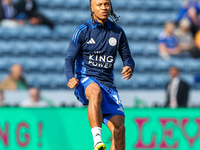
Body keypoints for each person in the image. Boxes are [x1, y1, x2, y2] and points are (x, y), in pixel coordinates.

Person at [65, 0, 135, 149]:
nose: (104, 7)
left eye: (106, 4)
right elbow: (69, 58)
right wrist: (70, 77)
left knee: (119, 129)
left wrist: (129, 66)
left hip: (108, 85)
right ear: (92, 7)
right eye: (99, 4)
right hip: (85, 81)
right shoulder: (82, 30)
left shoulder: (118, 32)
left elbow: (127, 57)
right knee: (95, 91)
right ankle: (97, 140)